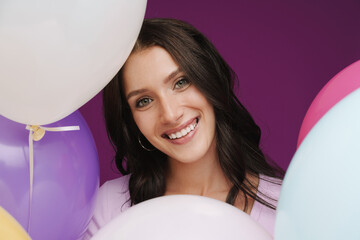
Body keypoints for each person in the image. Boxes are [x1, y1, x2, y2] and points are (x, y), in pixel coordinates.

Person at [83, 18, 284, 239]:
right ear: (131, 121)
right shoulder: (108, 209)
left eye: (180, 82)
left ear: (210, 80)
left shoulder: (285, 208)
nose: (170, 114)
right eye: (144, 101)